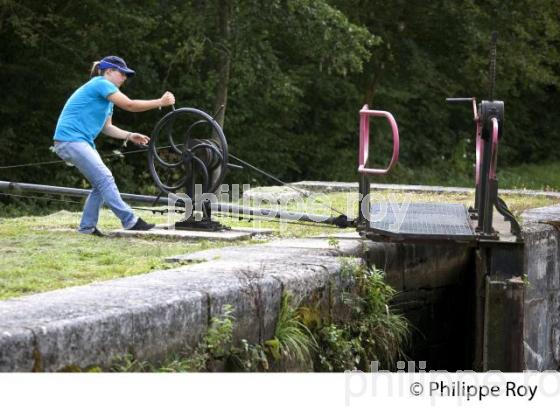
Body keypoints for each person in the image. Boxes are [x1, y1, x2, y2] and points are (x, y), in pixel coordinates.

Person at [53, 55, 175, 236]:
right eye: (122, 73)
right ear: (108, 71)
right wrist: (160, 102)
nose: (125, 78)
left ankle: (87, 228)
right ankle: (130, 221)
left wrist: (129, 135)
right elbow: (130, 105)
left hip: (77, 141)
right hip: (71, 140)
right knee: (105, 178)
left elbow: (107, 127)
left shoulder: (106, 98)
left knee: (100, 183)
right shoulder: (100, 83)